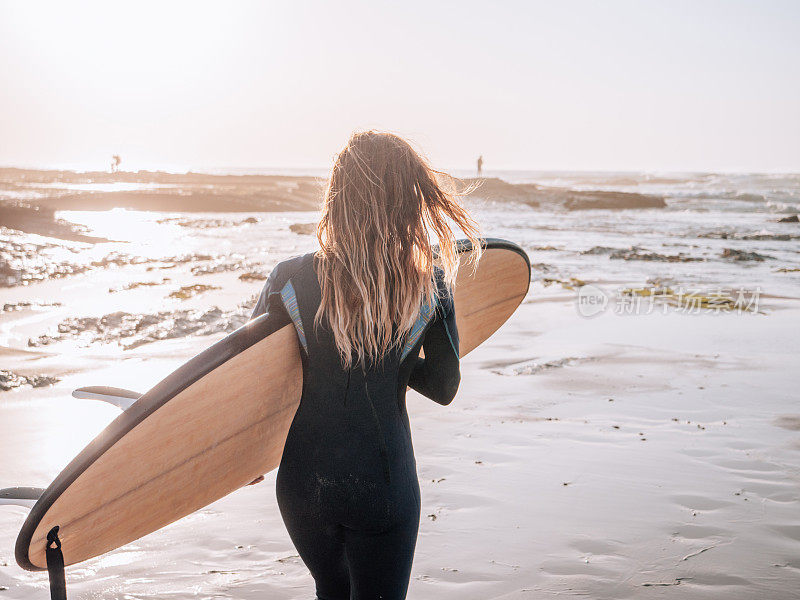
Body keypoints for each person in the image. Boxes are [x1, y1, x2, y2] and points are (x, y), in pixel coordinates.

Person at [250, 131, 482, 599]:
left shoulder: (288, 278)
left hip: (302, 485)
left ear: (338, 198)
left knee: (331, 592)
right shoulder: (429, 285)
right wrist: (394, 359)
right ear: (409, 201)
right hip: (383, 482)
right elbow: (443, 385)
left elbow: (252, 380)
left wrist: (242, 458)